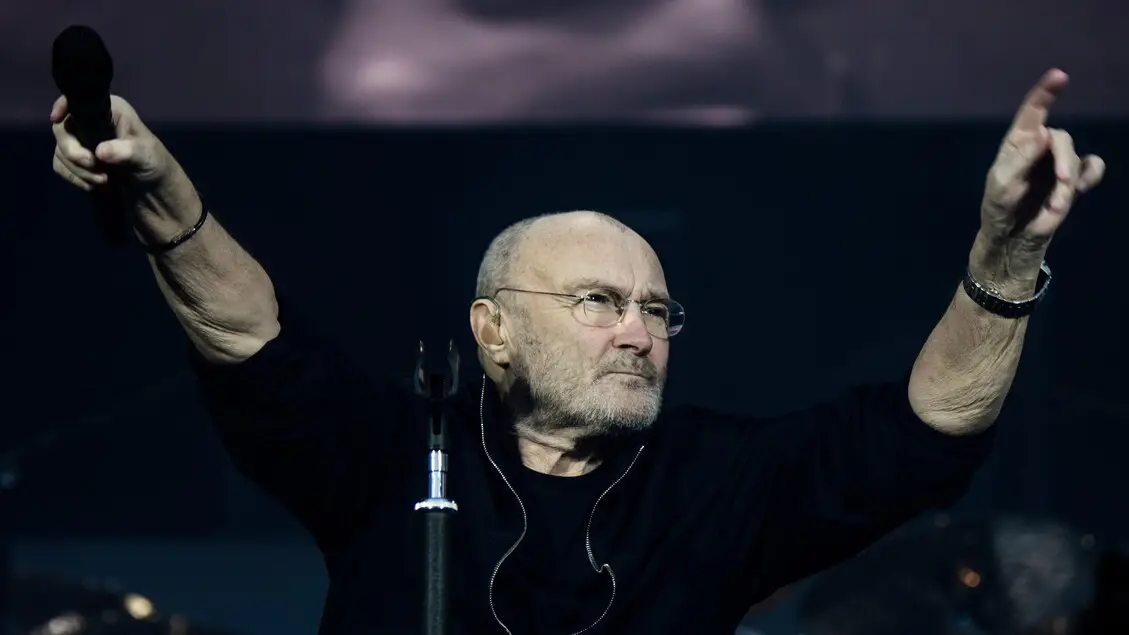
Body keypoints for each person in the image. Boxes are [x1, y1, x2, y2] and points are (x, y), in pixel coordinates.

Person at [49, 69, 1104, 635]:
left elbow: (930, 430)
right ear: (492, 330)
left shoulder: (719, 479)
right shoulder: (396, 451)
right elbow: (250, 335)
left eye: (655, 309)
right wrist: (163, 198)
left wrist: (1005, 258)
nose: (637, 330)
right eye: (597, 301)